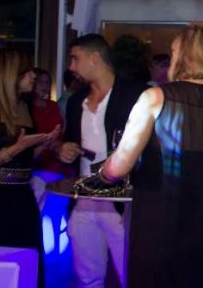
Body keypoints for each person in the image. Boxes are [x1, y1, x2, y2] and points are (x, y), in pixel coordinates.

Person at [102, 26, 203, 288]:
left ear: (181, 56)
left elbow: (118, 168)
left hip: (165, 229)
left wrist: (103, 172)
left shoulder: (155, 97)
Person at [59, 34, 147, 288]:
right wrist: (64, 149)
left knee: (133, 276)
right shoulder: (76, 102)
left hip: (122, 203)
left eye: (75, 59)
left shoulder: (136, 95)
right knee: (88, 278)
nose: (71, 67)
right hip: (84, 202)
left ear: (94, 58)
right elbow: (70, 142)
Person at [0, 48, 59, 267]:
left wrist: (44, 144)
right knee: (0, 269)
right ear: (10, 75)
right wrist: (15, 149)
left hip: (21, 197)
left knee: (27, 265)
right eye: (27, 71)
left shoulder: (23, 106)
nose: (33, 76)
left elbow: (23, 159)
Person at [29, 67, 66, 175]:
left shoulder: (54, 106)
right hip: (36, 161)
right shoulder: (27, 108)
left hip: (57, 157)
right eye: (41, 82)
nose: (45, 85)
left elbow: (63, 131)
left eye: (47, 82)